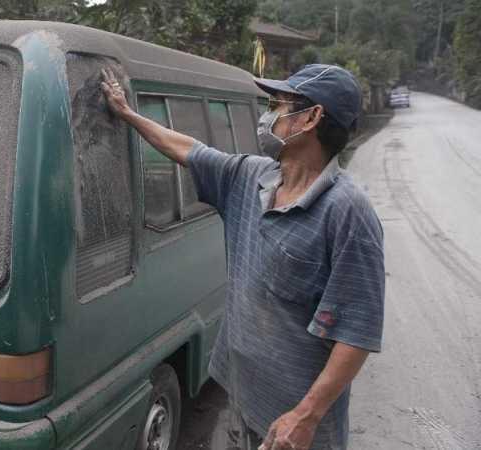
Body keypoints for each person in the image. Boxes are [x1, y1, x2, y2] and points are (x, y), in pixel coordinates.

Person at [100, 64, 385, 450]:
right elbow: (187, 149)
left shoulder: (347, 211)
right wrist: (128, 114)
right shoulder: (251, 177)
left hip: (296, 428)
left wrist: (305, 417)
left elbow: (356, 333)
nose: (268, 116)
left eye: (277, 105)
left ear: (312, 118)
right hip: (242, 396)